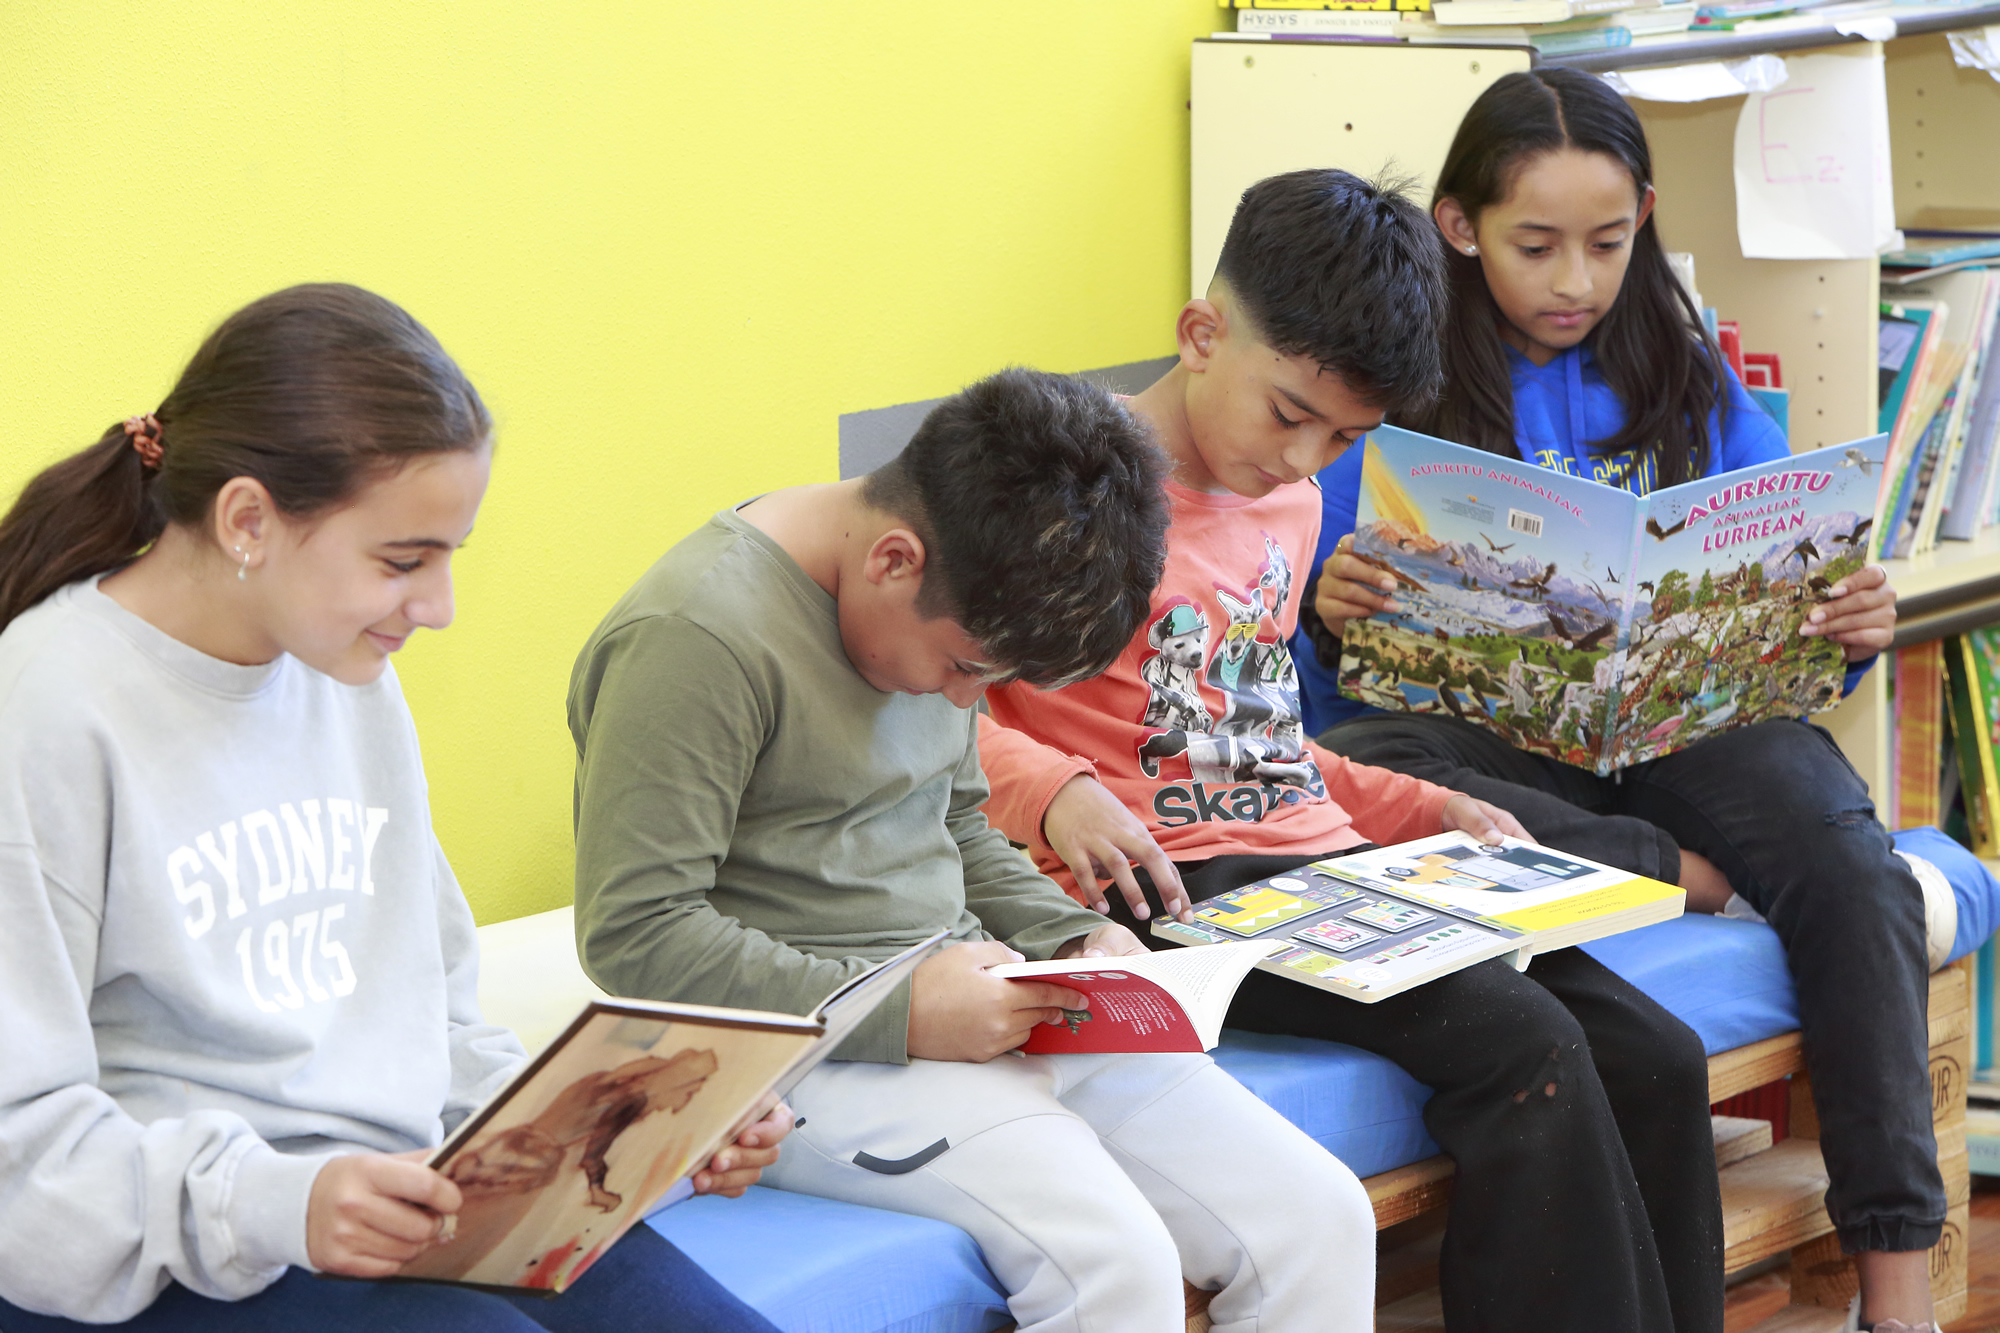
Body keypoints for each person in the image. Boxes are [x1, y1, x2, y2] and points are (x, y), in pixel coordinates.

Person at [974, 170, 1726, 1333]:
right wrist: (1053, 788)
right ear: (1200, 334)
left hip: (1319, 864)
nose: (1302, 458)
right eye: (1288, 415)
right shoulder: (1061, 490)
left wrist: (1421, 809)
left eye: (1342, 437)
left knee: (1657, 1052)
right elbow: (917, 708)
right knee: (1523, 1045)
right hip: (1166, 882)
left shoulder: (1286, 506)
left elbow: (1252, 743)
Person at [0, 284, 787, 1333]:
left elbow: (434, 1019)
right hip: (163, 1250)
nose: (439, 607)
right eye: (403, 561)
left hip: (394, 1196)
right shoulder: (45, 706)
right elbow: (23, 1155)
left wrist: (639, 1122)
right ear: (247, 520)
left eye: (449, 556)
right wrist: (283, 1203)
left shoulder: (342, 670)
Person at [1294, 72, 1937, 1333]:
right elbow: (1319, 699)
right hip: (1488, 746)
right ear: (1457, 226)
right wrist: (1330, 603)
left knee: (1847, 862)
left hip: (1682, 731)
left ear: (1643, 215)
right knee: (1372, 768)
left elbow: (1792, 613)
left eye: (1605, 241)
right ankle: (1673, 872)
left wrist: (1846, 628)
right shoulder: (1391, 388)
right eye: (1535, 245)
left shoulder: (1685, 378)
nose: (1575, 280)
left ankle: (1898, 1294)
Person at [569, 367, 1378, 1333]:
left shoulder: (944, 594)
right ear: (894, 560)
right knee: (1115, 1265)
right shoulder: (696, 637)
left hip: (982, 1001)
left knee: (1320, 1218)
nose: (965, 701)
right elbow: (636, 934)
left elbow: (955, 824)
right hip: (803, 1058)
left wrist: (1073, 939)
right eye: (965, 668)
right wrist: (906, 1009)